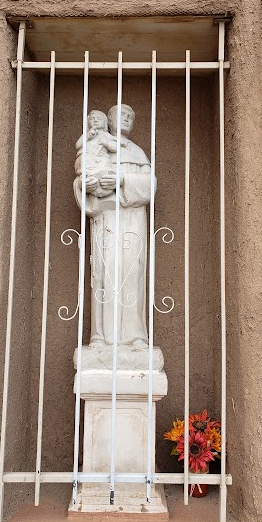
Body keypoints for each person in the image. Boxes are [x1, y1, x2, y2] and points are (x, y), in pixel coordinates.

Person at [73, 104, 153, 349]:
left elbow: (149, 186)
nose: (127, 118)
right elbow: (82, 175)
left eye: (131, 115)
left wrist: (120, 180)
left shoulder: (137, 152)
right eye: (122, 114)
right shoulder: (98, 144)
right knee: (104, 273)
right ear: (109, 119)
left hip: (132, 219)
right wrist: (87, 184)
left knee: (132, 271)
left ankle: (135, 335)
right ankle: (101, 336)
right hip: (106, 219)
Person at [74, 110, 127, 204]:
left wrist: (107, 143)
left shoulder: (106, 135)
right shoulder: (87, 135)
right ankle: (88, 177)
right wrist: (87, 137)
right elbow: (78, 145)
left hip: (101, 157)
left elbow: (115, 147)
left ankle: (104, 178)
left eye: (99, 118)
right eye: (92, 118)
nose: (95, 120)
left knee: (105, 163)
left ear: (105, 122)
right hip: (88, 155)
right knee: (86, 161)